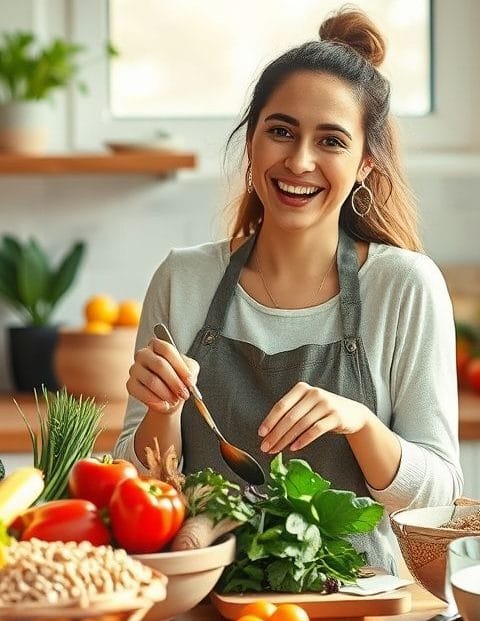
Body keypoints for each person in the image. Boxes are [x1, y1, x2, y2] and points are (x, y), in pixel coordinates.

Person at [113, 9, 461, 574]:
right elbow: (142, 487)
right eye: (281, 131)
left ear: (365, 165)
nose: (299, 161)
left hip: (354, 605)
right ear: (251, 142)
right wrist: (161, 412)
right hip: (204, 604)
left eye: (331, 140)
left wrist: (361, 424)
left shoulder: (405, 286)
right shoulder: (183, 280)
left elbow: (439, 495)